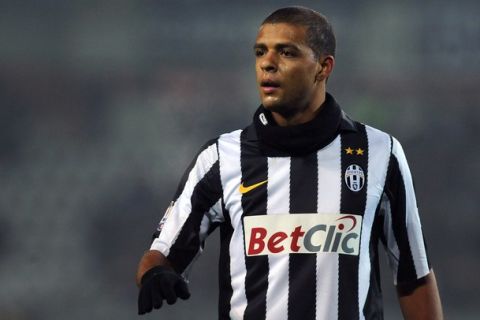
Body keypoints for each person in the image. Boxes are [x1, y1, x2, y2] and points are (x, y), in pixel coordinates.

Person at [136, 6, 443, 320]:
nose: (267, 63)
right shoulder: (220, 157)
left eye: (287, 53)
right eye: (260, 52)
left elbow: (413, 274)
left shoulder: (379, 152)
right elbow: (162, 254)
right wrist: (154, 274)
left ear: (323, 68)